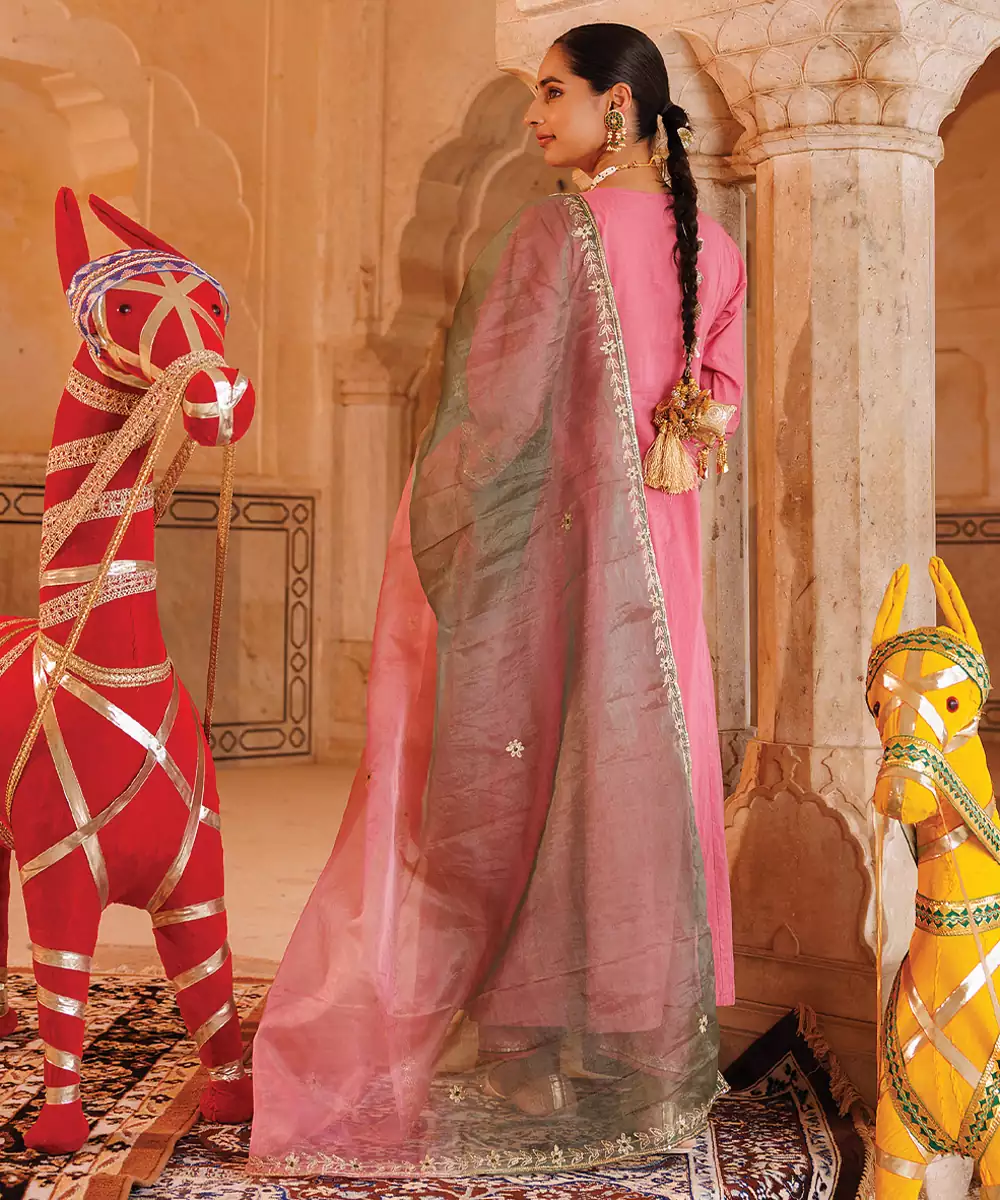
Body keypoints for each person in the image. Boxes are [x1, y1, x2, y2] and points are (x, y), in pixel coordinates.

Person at [248, 22, 747, 1180]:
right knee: (633, 774)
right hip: (661, 577)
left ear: (616, 106)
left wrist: (441, 515)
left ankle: (525, 1046)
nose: (534, 115)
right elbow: (708, 403)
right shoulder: (712, 248)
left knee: (518, 777)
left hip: (553, 569)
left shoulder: (554, 233)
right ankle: (630, 1040)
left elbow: (499, 415)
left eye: (552, 92)